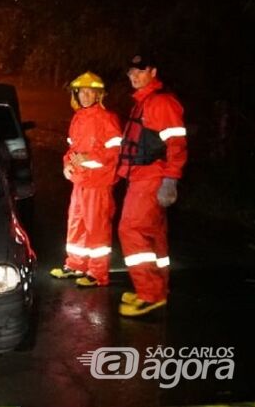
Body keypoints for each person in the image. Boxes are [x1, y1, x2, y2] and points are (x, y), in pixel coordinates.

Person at [117, 54, 187, 317]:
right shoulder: (144, 101)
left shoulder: (161, 102)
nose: (134, 76)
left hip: (151, 176)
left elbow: (177, 146)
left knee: (131, 229)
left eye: (141, 70)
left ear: (153, 71)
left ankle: (149, 295)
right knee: (154, 236)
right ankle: (157, 291)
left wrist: (170, 180)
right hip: (142, 175)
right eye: (131, 71)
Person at [50, 72, 122, 287]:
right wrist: (67, 164)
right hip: (80, 182)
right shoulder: (79, 117)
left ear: (99, 95)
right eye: (81, 92)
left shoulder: (108, 118)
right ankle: (75, 265)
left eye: (90, 92)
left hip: (99, 184)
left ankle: (98, 273)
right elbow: (72, 149)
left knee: (97, 228)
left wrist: (90, 158)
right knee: (76, 224)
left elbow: (115, 152)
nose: (85, 96)